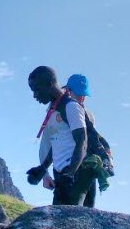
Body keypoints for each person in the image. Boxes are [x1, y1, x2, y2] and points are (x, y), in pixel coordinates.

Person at [26, 66, 91, 205]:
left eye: (36, 90)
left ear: (49, 84)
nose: (35, 95)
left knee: (72, 217)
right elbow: (57, 142)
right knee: (58, 217)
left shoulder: (71, 106)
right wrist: (43, 168)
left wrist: (71, 173)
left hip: (77, 173)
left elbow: (82, 141)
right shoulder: (52, 109)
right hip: (62, 175)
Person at [63, 73, 111, 208]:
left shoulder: (84, 112)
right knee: (82, 204)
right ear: (69, 91)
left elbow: (89, 138)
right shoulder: (66, 108)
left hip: (86, 162)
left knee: (82, 204)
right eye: (79, 94)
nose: (82, 97)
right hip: (82, 162)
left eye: (84, 94)